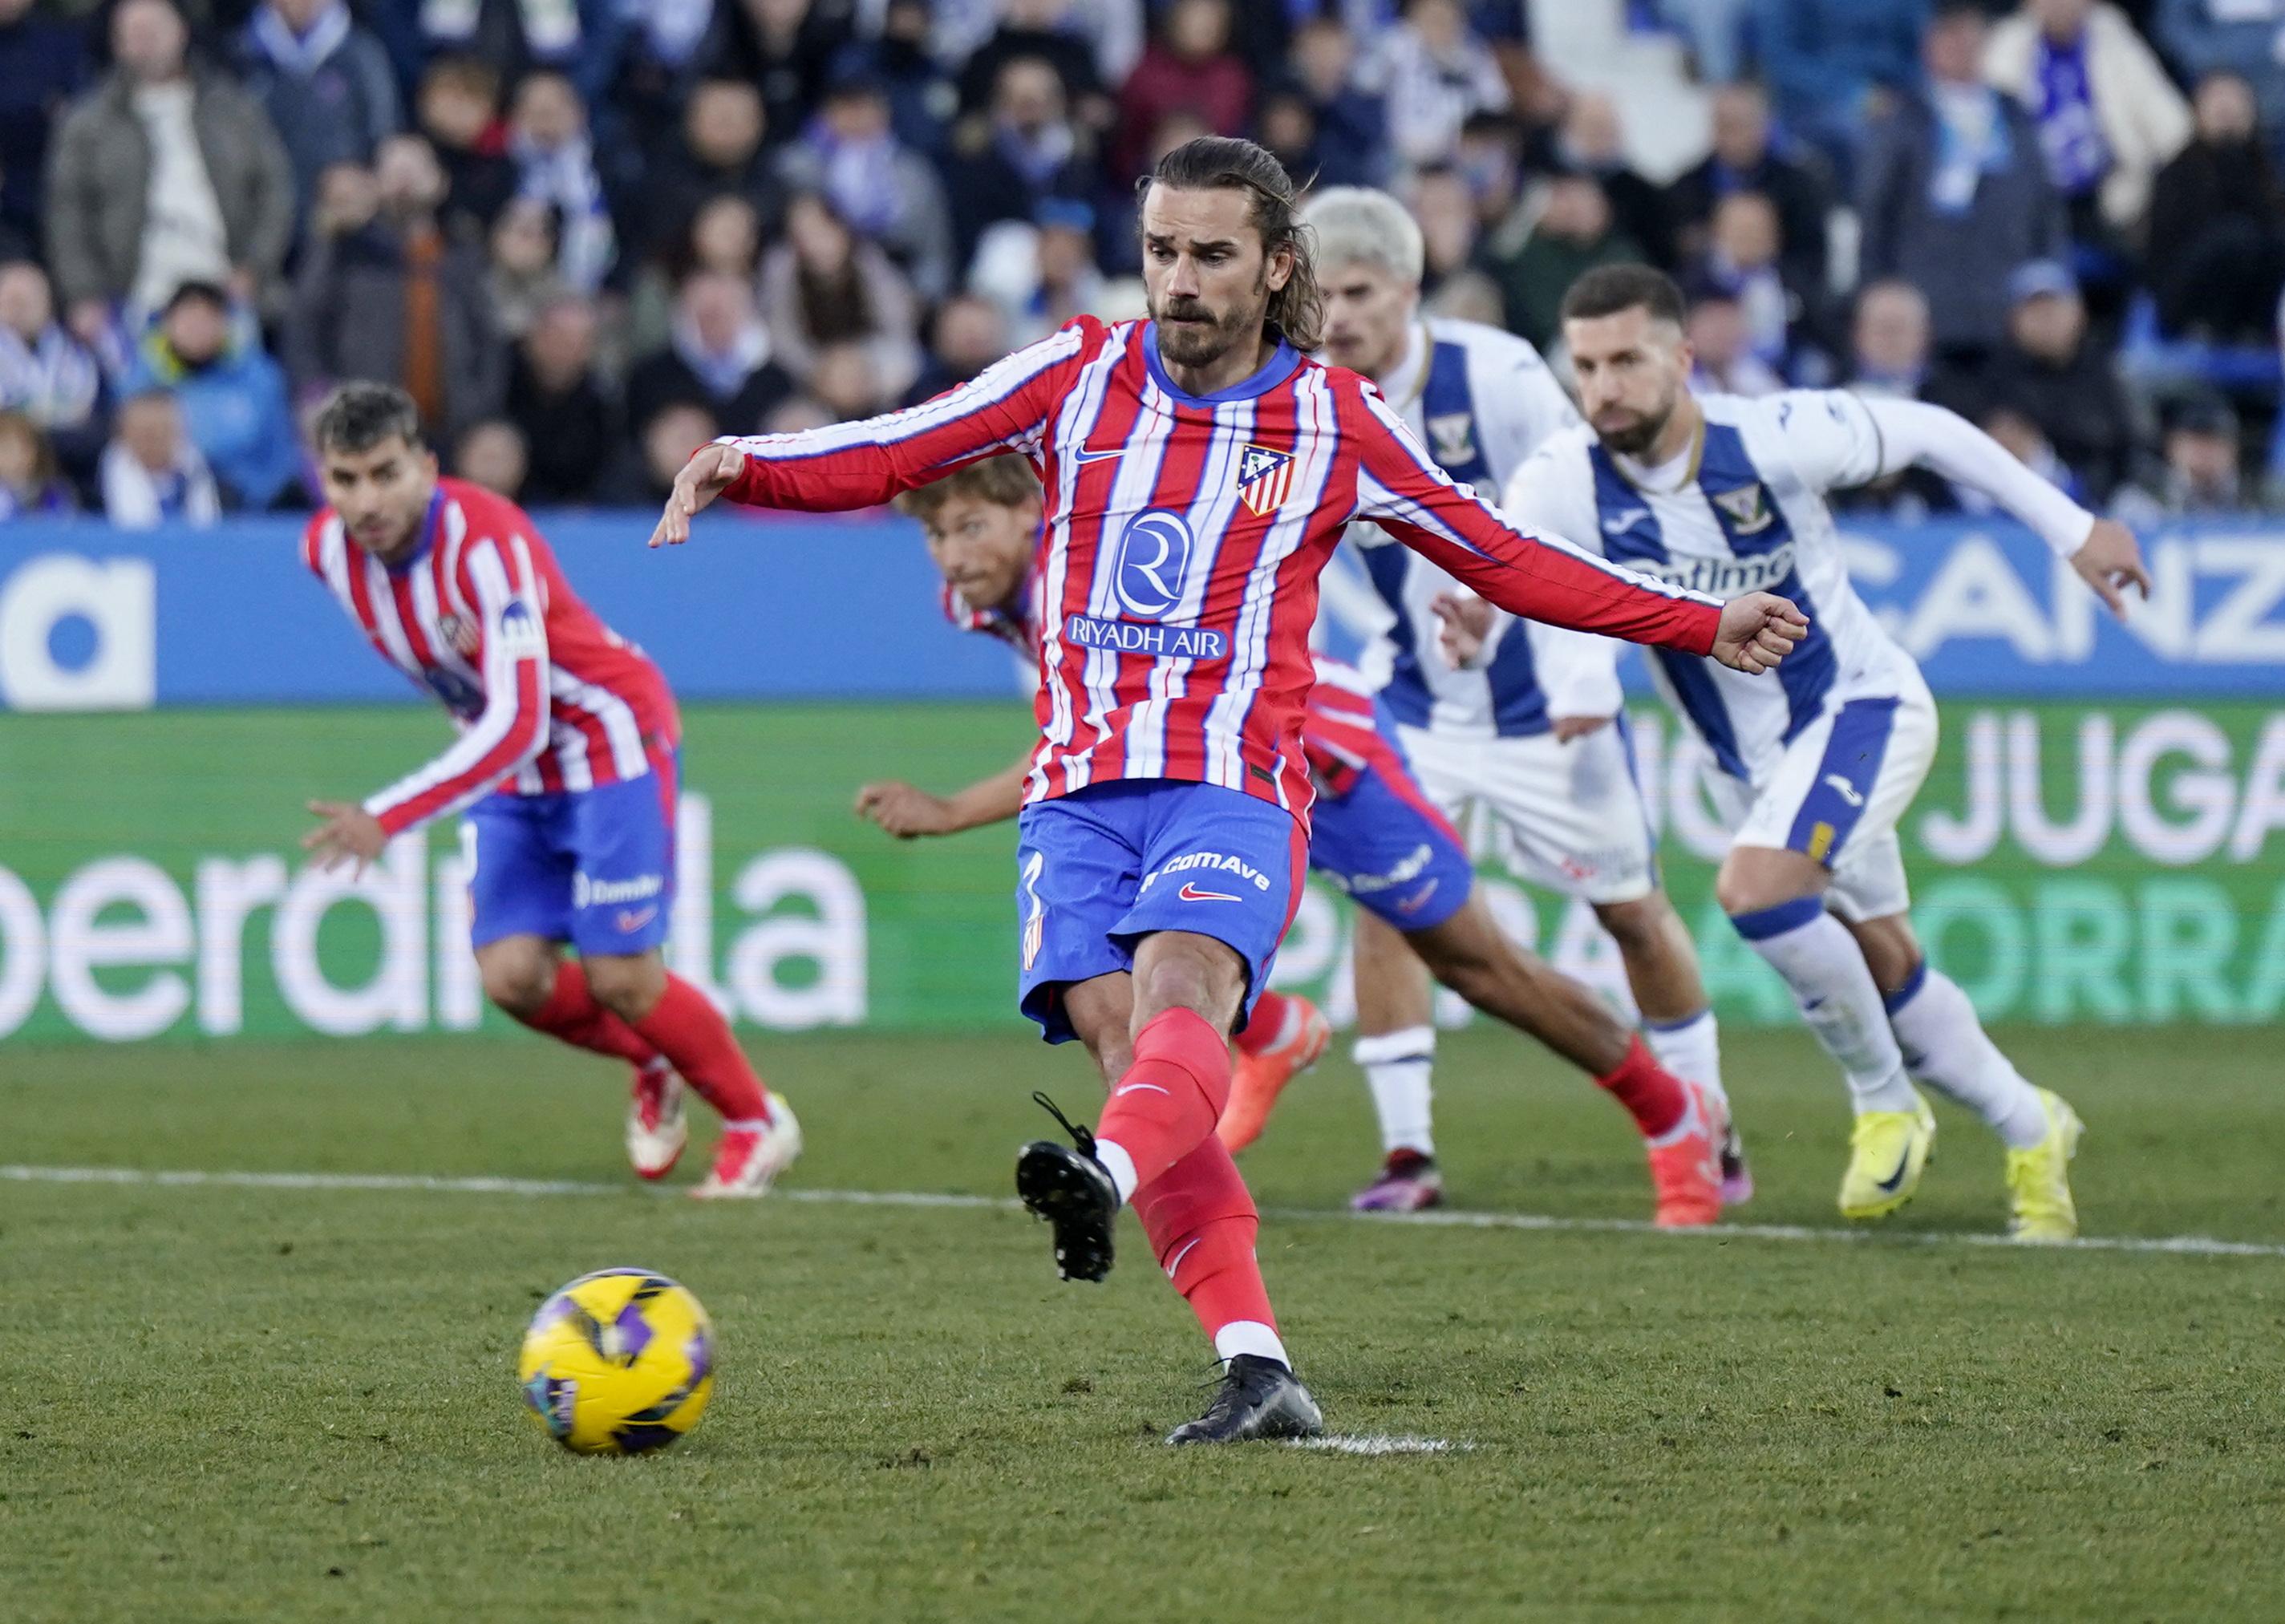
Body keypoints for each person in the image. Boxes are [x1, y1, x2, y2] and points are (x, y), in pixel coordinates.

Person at [647, 136, 1809, 1442]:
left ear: (1273, 267)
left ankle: (1115, 1166)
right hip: (1078, 794)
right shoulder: (1078, 373)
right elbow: (905, 447)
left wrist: (1691, 623)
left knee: (1208, 993)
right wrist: (744, 460)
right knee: (1128, 1046)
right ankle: (1256, 1365)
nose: (1179, 280)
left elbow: (1500, 558)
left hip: (1240, 775)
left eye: (1209, 254)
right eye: (1160, 251)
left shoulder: (1332, 418)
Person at [861, 451, 1735, 1228]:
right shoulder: (992, 597)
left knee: (1482, 970)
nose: (951, 554)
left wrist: (946, 811)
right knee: (1124, 954)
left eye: (969, 526)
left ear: (1033, 512)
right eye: (936, 536)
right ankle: (1263, 1042)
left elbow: (1077, 746)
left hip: (1318, 756)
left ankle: (1672, 1115)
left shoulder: (1077, 574)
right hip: (1194, 782)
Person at [1492, 264, 2152, 1241]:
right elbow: (1523, 575)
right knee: (1887, 960)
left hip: (1860, 707)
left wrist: (2072, 526)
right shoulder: (1558, 479)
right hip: (1755, 763)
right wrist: (1513, 643)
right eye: (1584, 366)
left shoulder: (1769, 437)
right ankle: (2030, 1123)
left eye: (1625, 360)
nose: (1602, 388)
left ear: (1680, 359)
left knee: (1754, 890)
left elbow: (1929, 431)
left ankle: (1881, 1097)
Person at [1305, 184, 1744, 1213]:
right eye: (1320, 294)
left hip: (1546, 703)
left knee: (1631, 914)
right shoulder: (1305, 400)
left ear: (1410, 289)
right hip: (1412, 704)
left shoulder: (1492, 376)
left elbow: (1580, 511)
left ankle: (1707, 1121)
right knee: (1386, 903)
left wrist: (1578, 667)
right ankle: (1407, 1156)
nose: (1339, 316)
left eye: (1360, 291)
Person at [296, 382, 800, 1198]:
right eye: (344, 480)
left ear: (426, 466)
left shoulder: (487, 541)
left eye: (384, 473)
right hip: (510, 768)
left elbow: (525, 716)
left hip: (605, 740)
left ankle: (755, 1123)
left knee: (621, 976)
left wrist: (389, 815)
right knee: (510, 976)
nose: (366, 500)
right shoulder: (323, 553)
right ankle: (653, 1061)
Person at [44, 0, 294, 338]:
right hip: (132, 304)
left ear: (181, 32)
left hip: (229, 292)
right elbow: (67, 214)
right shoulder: (88, 124)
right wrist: (84, 295)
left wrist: (255, 268)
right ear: (117, 44)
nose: (144, 43)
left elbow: (275, 190)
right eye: (133, 34)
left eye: (153, 31)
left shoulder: (233, 108)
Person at [1858, 2, 2068, 364]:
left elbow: (2045, 207)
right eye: (1949, 36)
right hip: (1926, 309)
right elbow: (1878, 209)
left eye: (1968, 36)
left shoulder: (2015, 116)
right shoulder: (1904, 119)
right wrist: (1878, 289)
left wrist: (2050, 283)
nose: (1960, 47)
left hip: (2007, 308)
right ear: (1929, 45)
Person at [286, 133, 506, 447]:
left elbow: (490, 340)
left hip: (454, 432)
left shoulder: (463, 255)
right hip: (365, 429)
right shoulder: (344, 251)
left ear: (441, 182)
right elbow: (304, 329)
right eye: (393, 169)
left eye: (416, 168)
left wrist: (478, 406)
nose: (404, 179)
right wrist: (319, 398)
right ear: (374, 183)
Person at [121, 279, 302, 511]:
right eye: (188, 318)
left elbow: (280, 454)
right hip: (157, 506)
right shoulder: (140, 378)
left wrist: (250, 497)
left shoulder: (258, 377)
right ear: (168, 322)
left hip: (245, 510)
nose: (197, 329)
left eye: (206, 319)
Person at [233, 0, 402, 224]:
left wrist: (365, 181)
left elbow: (385, 136)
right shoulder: (239, 55)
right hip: (258, 210)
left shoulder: (363, 53)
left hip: (349, 221)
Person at [99, 387, 221, 527]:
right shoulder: (95, 495)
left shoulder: (199, 474)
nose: (154, 441)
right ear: (125, 433)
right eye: (146, 433)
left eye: (163, 431)